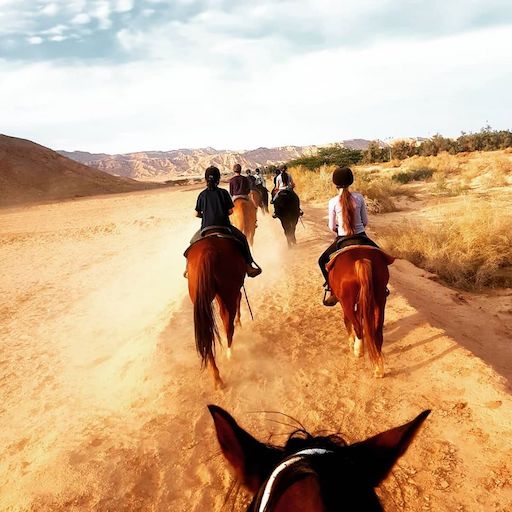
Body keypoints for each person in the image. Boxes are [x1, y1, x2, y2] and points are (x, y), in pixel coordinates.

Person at [318, 166, 378, 306]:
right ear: (351, 181)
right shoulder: (359, 198)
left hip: (342, 238)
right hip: (362, 236)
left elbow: (332, 226)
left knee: (322, 261)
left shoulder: (332, 202)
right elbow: (365, 222)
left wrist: (340, 229)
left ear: (335, 182)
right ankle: (382, 287)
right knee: (381, 256)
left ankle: (332, 290)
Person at [187, 166, 262, 278]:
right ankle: (248, 266)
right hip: (224, 226)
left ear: (206, 179)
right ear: (218, 179)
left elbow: (196, 214)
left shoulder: (202, 195)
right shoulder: (223, 193)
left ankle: (188, 269)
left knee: (192, 242)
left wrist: (206, 215)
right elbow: (231, 211)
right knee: (242, 238)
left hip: (206, 228)